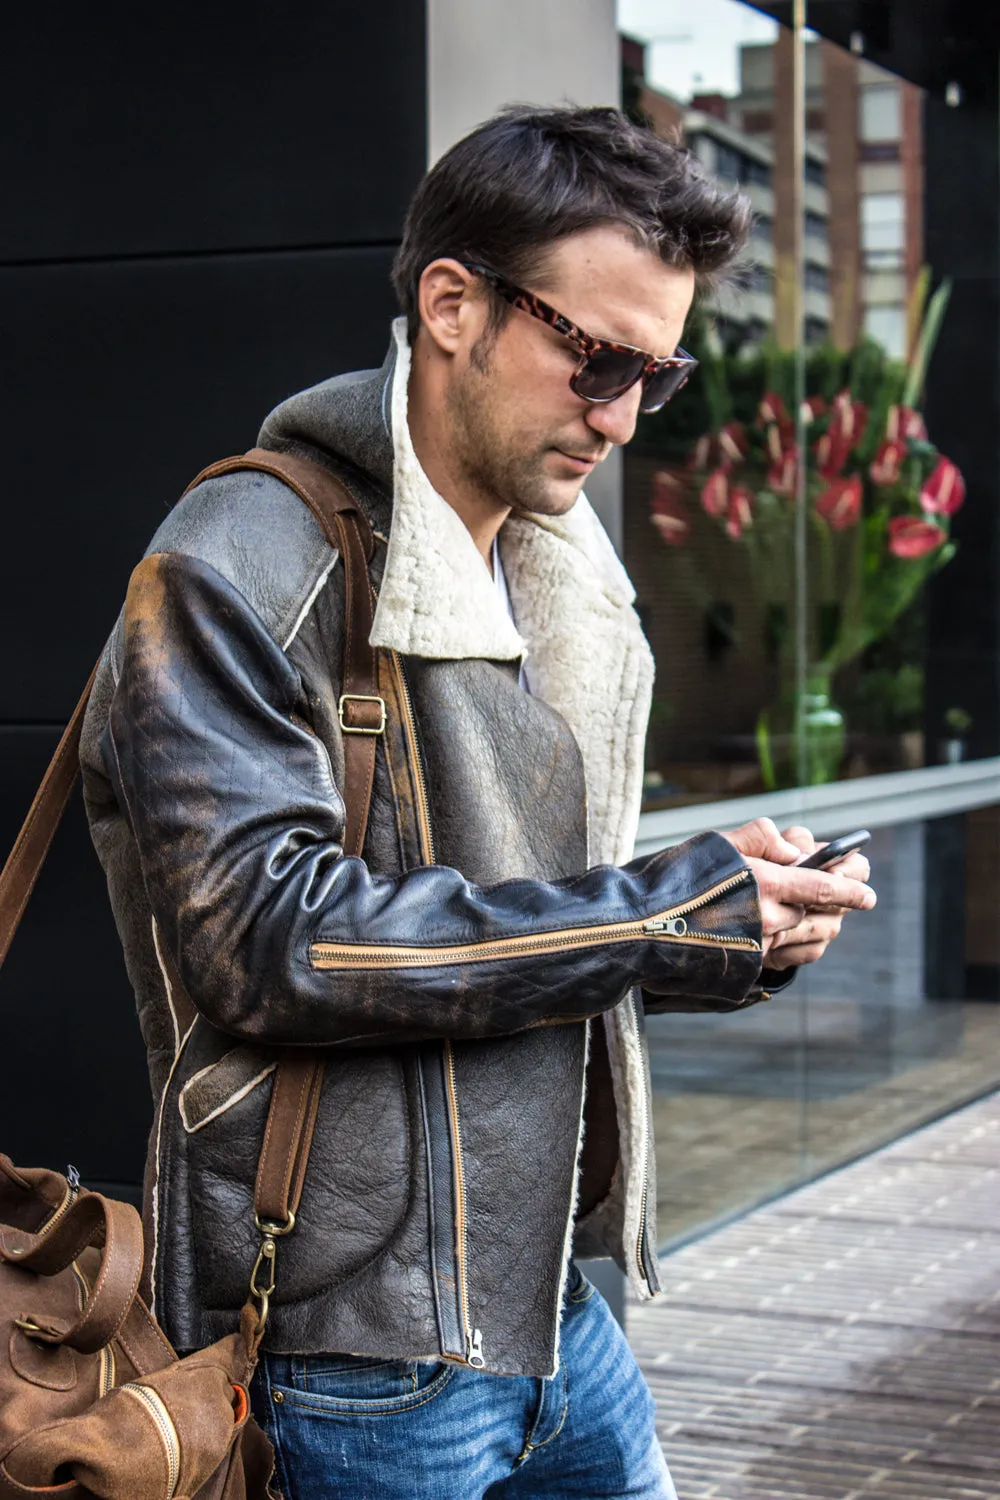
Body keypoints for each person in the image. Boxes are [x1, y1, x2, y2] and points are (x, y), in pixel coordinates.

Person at [80, 106, 875, 1499]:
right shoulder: (240, 562)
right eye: (600, 360)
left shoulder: (547, 573)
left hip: (550, 1313)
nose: (623, 418)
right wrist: (659, 918)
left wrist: (721, 934)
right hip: (348, 1354)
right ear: (454, 303)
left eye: (659, 377)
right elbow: (276, 944)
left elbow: (506, 931)